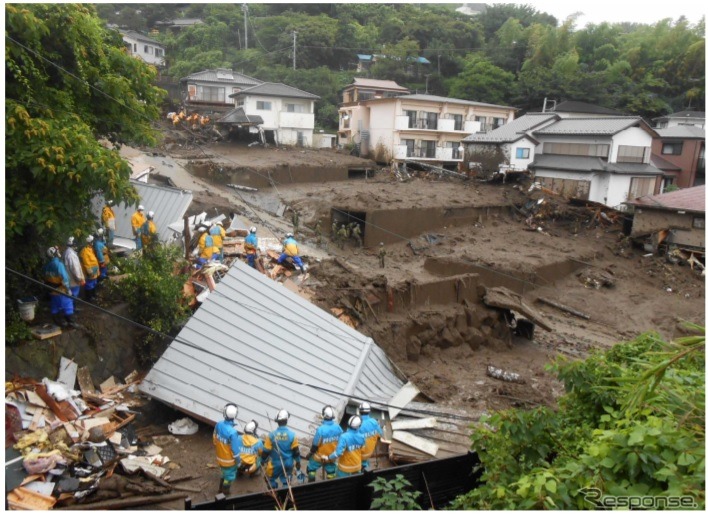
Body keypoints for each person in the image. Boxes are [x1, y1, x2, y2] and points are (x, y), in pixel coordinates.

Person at [261, 409, 302, 489]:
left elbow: (265, 451)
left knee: (269, 479)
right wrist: (298, 462)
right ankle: (286, 494)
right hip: (288, 463)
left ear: (277, 421)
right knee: (287, 481)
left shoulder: (271, 435)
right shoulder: (292, 435)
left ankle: (274, 493)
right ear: (287, 420)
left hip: (275, 464)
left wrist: (262, 461)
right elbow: (296, 452)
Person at [306, 405, 343, 482]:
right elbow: (341, 441)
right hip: (331, 457)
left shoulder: (321, 429)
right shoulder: (338, 427)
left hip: (319, 457)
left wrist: (310, 453)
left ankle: (311, 483)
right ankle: (331, 484)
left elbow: (315, 445)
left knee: (311, 468)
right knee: (331, 471)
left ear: (324, 416)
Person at [43, 246, 77, 329]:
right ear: (55, 254)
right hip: (61, 290)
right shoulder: (58, 264)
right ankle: (71, 323)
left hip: (52, 291)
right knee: (68, 305)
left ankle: (57, 321)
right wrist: (68, 289)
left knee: (55, 306)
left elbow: (45, 277)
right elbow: (64, 278)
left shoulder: (47, 265)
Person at [213, 403, 242, 496]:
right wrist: (238, 462)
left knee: (224, 472)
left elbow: (214, 439)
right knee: (229, 477)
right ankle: (224, 492)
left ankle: (220, 489)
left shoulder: (219, 424)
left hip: (219, 457)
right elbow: (235, 451)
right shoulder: (233, 433)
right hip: (229, 461)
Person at [358, 402, 383, 470]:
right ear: (369, 411)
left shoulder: (357, 423)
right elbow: (381, 434)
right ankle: (365, 465)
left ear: (360, 411)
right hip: (369, 453)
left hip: (359, 455)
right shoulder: (374, 422)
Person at [63, 236, 85, 303]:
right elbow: (75, 268)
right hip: (73, 280)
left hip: (69, 278)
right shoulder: (71, 255)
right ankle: (73, 308)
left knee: (70, 294)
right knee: (73, 294)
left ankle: (72, 307)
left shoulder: (66, 252)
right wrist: (79, 278)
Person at [79, 235, 100, 302]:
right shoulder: (85, 251)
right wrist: (89, 272)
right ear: (89, 242)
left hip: (94, 270)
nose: (93, 243)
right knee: (89, 284)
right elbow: (86, 263)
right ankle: (89, 298)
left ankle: (93, 295)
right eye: (92, 242)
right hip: (90, 271)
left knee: (93, 283)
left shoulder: (90, 249)